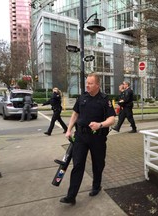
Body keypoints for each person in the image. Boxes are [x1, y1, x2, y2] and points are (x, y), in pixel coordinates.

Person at [60, 72, 116, 205]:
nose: (87, 86)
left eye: (90, 83)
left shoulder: (104, 99)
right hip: (80, 136)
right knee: (78, 164)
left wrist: (100, 125)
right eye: (87, 83)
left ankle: (96, 186)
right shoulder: (82, 97)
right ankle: (71, 195)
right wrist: (68, 130)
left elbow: (112, 119)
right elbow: (75, 114)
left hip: (97, 138)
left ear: (97, 85)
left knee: (98, 164)